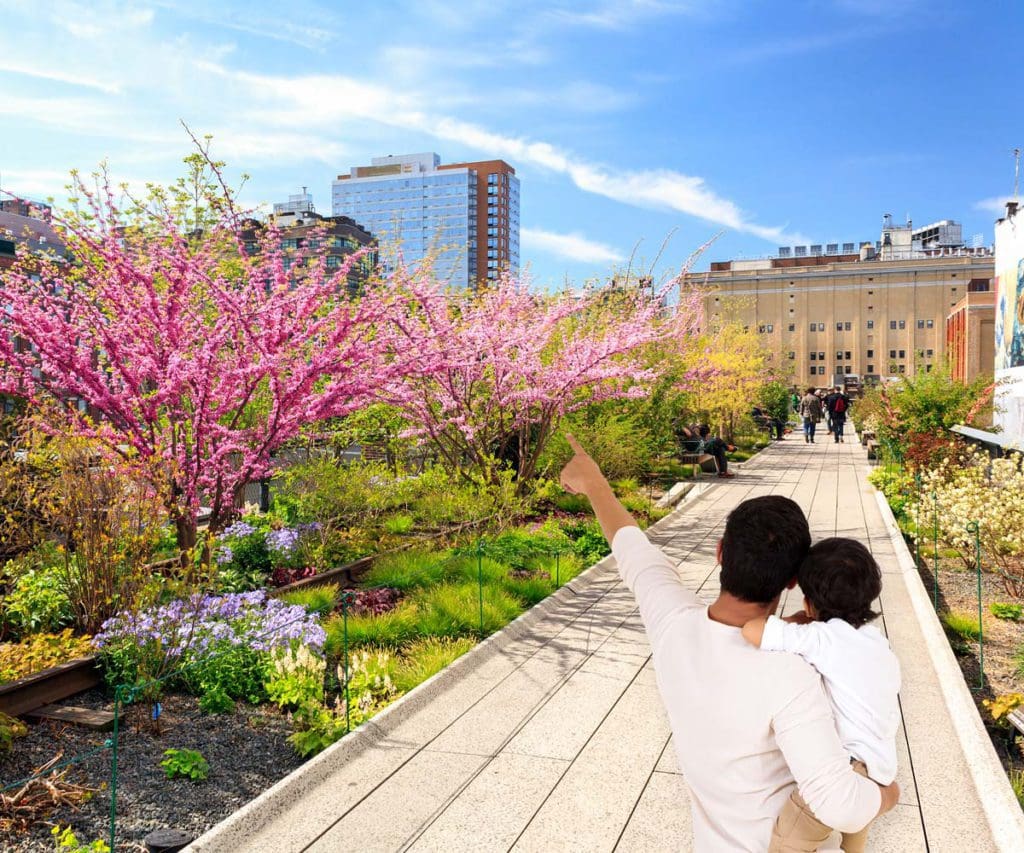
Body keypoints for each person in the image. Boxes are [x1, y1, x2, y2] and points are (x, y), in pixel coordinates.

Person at [558, 437, 899, 851]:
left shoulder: (673, 625)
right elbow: (839, 805)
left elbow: (634, 551)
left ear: (720, 553)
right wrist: (886, 794)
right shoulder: (791, 670)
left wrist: (595, 483)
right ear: (794, 580)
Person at [742, 538, 901, 853]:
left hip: (844, 774)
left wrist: (796, 621)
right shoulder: (876, 641)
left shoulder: (823, 638)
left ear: (809, 602)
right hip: (880, 769)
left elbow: (752, 630)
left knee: (787, 843)